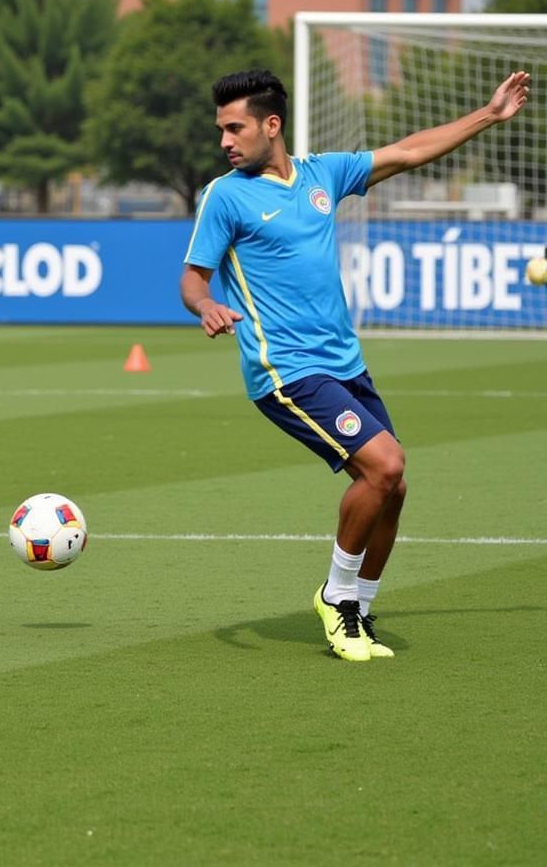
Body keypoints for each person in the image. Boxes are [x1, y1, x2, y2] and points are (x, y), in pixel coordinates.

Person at [180, 67, 530, 662]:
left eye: (234, 128)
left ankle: (359, 610)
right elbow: (192, 279)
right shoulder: (225, 196)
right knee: (384, 464)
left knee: (392, 488)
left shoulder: (323, 175)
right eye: (221, 130)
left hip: (344, 364)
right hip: (284, 371)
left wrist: (488, 116)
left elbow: (409, 151)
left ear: (272, 125)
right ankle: (336, 597)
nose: (224, 141)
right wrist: (207, 305)